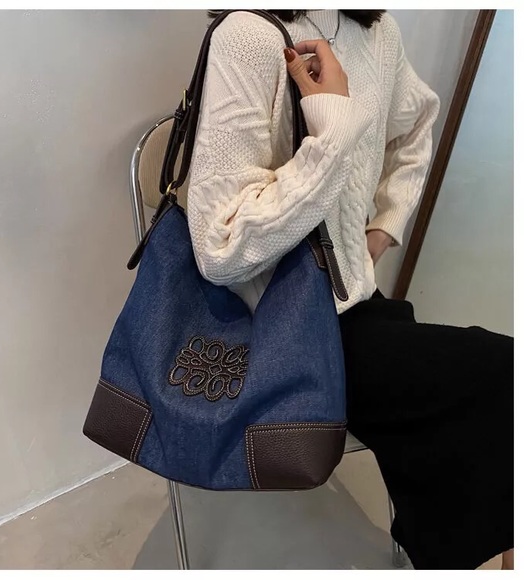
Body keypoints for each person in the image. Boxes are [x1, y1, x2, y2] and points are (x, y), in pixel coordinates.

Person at [185, 9, 514, 570]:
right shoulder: (248, 38)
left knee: (484, 407)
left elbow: (416, 123)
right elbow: (221, 250)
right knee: (500, 382)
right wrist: (333, 126)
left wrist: (384, 225)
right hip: (268, 332)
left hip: (356, 306)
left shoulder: (376, 32)